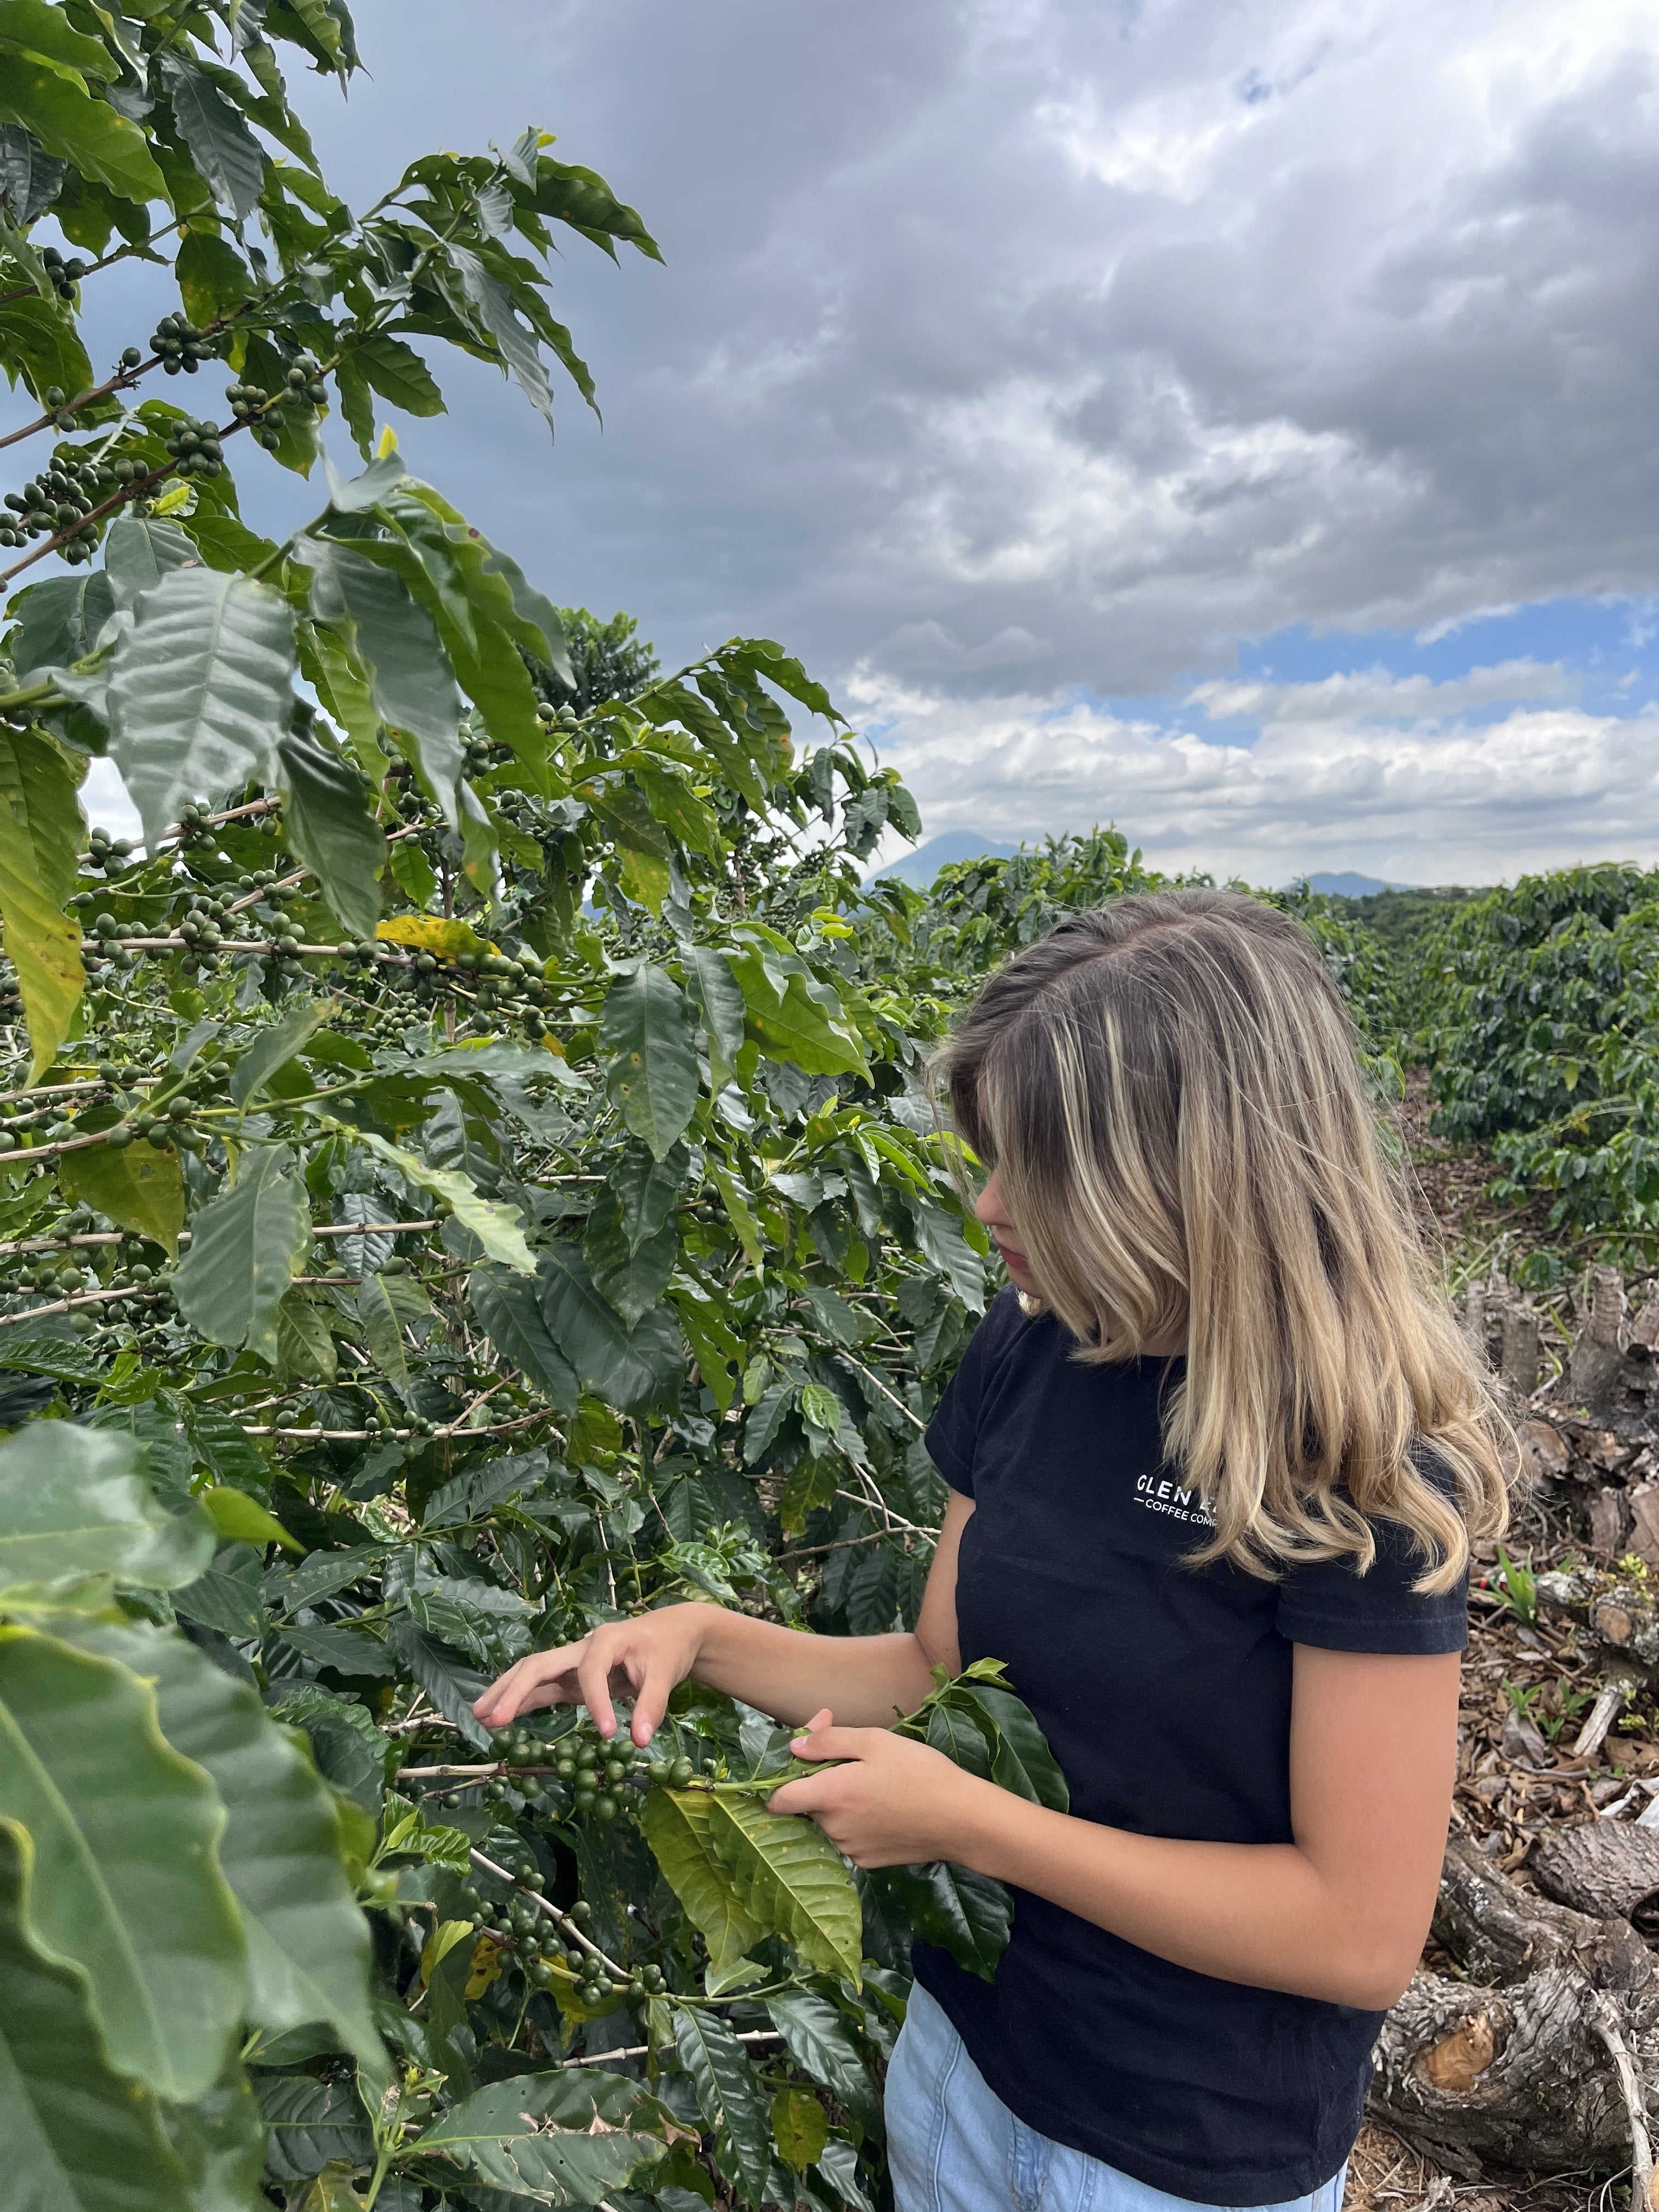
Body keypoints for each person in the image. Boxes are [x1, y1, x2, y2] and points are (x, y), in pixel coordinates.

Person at [475, 888, 1513, 2212]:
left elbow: (1356, 1934)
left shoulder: (1362, 1469)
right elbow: (940, 1670)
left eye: (1033, 1172)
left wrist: (976, 1827)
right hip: (965, 2071)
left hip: (1181, 2163)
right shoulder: (1034, 1345)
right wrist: (702, 1638)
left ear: (1178, 1183)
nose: (984, 1205)